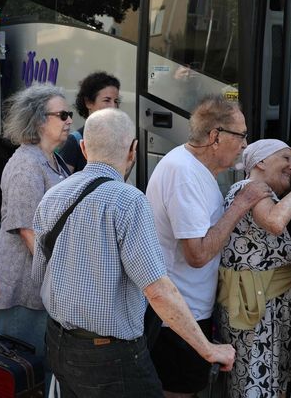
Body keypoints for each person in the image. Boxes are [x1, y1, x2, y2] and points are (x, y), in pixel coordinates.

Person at [32, 108, 236, 397]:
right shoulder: (129, 201)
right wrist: (208, 349)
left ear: (84, 148)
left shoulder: (53, 195)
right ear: (133, 150)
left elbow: (39, 274)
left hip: (58, 343)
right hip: (110, 356)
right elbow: (158, 291)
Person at [144, 95, 271, 397]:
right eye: (241, 135)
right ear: (215, 136)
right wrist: (240, 205)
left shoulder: (191, 167)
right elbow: (198, 254)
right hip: (178, 316)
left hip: (187, 309)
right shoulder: (184, 173)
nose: (244, 144)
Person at [216, 139, 291, 398]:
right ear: (260, 162)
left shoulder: (265, 195)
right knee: (255, 385)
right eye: (286, 158)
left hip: (269, 310)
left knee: (274, 385)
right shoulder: (249, 187)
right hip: (256, 312)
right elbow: (275, 221)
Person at [0, 85, 72, 359]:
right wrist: (61, 281)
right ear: (39, 121)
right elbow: (29, 233)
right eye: (62, 115)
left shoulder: (52, 159)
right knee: (28, 369)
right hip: (26, 291)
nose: (69, 121)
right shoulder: (26, 165)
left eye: (69, 114)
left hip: (44, 288)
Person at [58, 71, 121, 173]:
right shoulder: (74, 141)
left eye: (116, 101)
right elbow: (62, 180)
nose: (113, 106)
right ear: (88, 102)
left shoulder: (117, 140)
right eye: (107, 100)